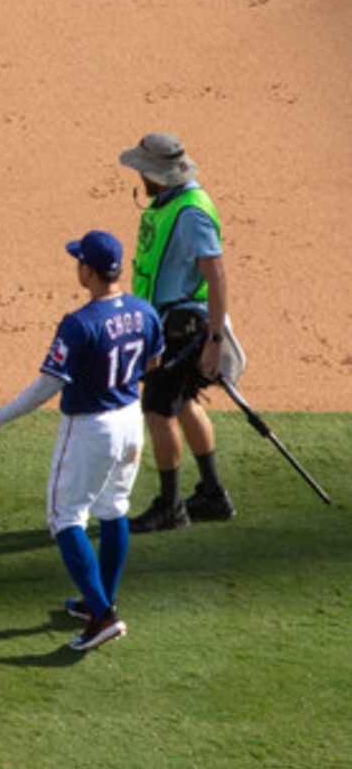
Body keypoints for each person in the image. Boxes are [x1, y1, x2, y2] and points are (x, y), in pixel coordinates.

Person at [0, 231, 161, 654]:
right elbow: (153, 361)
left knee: (66, 518)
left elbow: (48, 386)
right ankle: (99, 603)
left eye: (78, 261)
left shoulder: (79, 324)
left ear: (87, 270)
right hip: (131, 420)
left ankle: (103, 616)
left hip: (91, 427)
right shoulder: (145, 311)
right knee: (114, 509)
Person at [121, 132, 236, 531]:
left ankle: (171, 506)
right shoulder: (173, 204)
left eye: (143, 170)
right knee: (185, 403)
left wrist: (213, 340)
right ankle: (213, 494)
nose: (139, 176)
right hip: (171, 323)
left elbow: (216, 276)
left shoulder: (191, 214)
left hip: (182, 329)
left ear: (159, 174)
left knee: (157, 410)